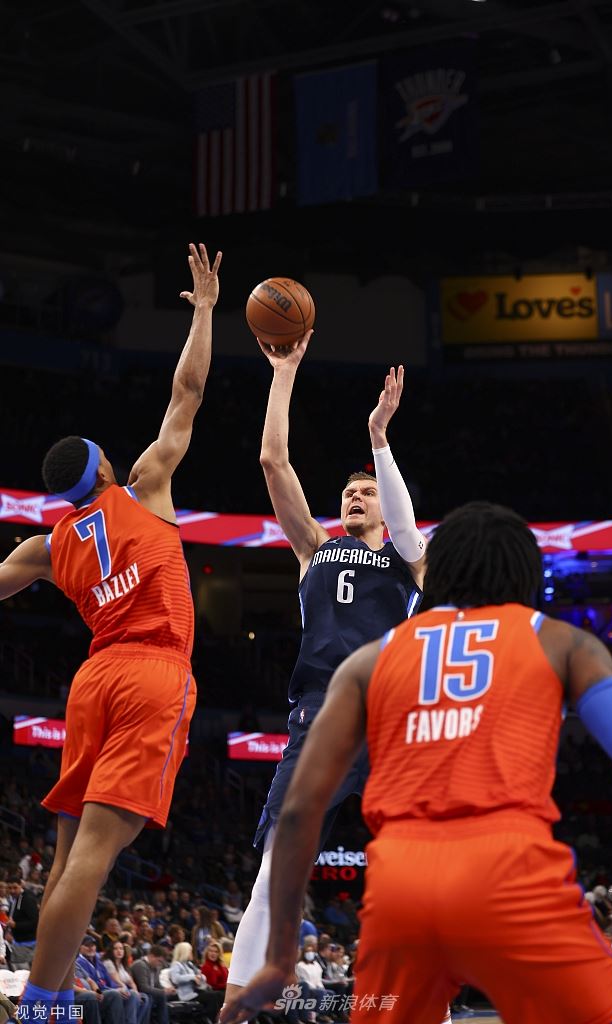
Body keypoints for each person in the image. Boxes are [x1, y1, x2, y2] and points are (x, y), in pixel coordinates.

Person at [222, 501, 612, 1024]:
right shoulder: (561, 641)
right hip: (511, 872)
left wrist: (279, 956)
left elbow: (301, 810)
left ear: (437, 571)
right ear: (524, 573)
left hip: (401, 889)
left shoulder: (369, 659)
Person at [2, 243, 222, 1023]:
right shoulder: (145, 486)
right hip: (153, 672)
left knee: (70, 859)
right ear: (102, 469)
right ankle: (38, 1009)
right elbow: (187, 391)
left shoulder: (46, 547)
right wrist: (204, 311)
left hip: (93, 680)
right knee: (94, 858)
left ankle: (55, 1003)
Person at [225, 345, 426, 1006]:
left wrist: (379, 440)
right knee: (276, 865)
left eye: (366, 491)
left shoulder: (408, 559)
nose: (354, 497)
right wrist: (283, 375)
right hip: (323, 712)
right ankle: (234, 1007)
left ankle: (435, 1007)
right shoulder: (315, 547)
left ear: (386, 505)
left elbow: (407, 529)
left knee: (426, 865)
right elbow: (272, 462)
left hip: (391, 719)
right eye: (348, 492)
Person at [103, 940, 151, 1024]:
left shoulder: (122, 964)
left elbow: (131, 982)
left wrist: (136, 992)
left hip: (124, 991)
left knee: (145, 998)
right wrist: (127, 989)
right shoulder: (108, 962)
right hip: (114, 990)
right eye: (115, 949)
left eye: (121, 948)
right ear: (111, 951)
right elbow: (117, 981)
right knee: (132, 994)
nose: (119, 951)